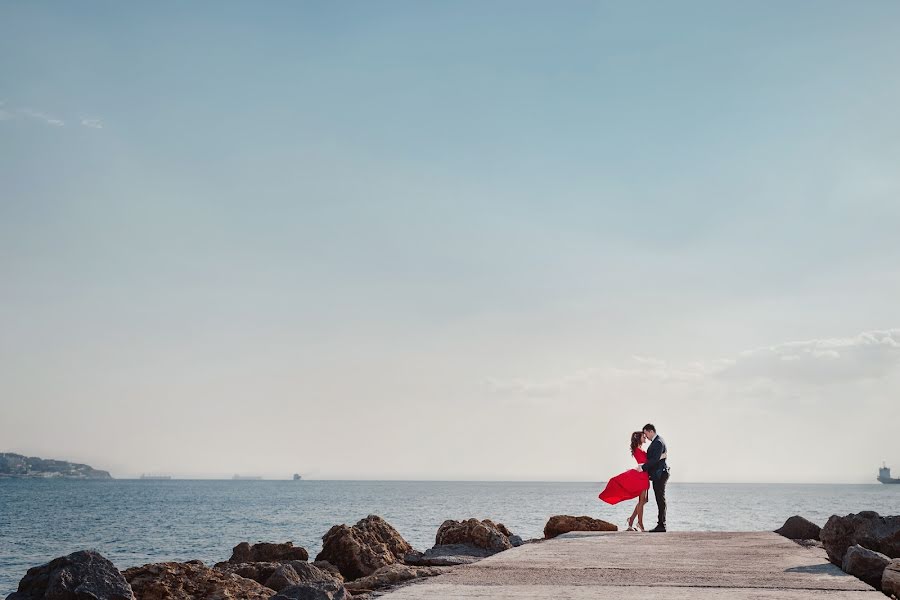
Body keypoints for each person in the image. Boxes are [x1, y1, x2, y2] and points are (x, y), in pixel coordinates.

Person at [598, 431, 666, 531]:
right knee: (642, 500)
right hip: (641, 476)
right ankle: (640, 523)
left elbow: (647, 462)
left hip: (644, 475)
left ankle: (631, 520)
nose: (645, 438)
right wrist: (661, 457)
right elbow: (646, 462)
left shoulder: (640, 449)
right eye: (644, 437)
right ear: (639, 438)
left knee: (644, 500)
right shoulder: (636, 449)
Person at [637, 423, 669, 533]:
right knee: (660, 499)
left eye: (646, 434)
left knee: (660, 499)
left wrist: (643, 468)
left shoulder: (658, 442)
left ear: (651, 431)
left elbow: (654, 459)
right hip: (658, 474)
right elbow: (657, 458)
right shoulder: (658, 441)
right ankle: (661, 524)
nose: (646, 437)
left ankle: (661, 525)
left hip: (660, 474)